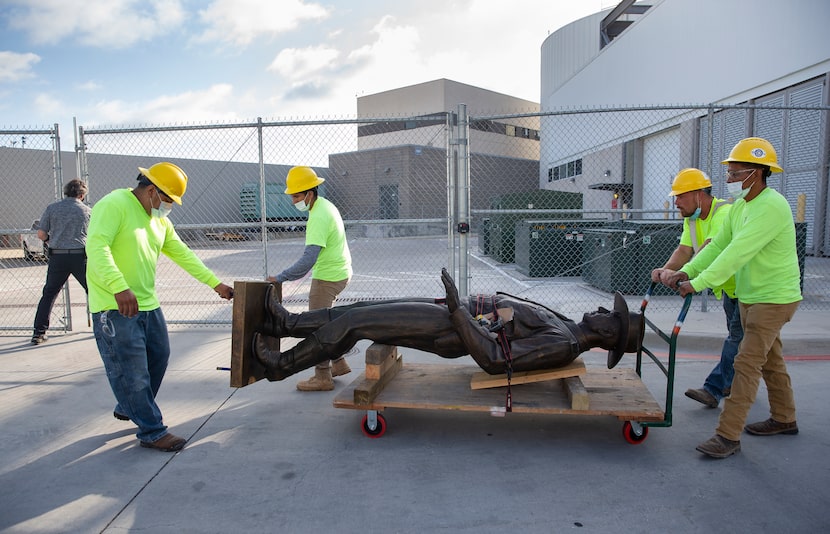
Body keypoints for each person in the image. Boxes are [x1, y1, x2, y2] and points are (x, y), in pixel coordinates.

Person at [664, 137, 802, 459]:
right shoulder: (741, 207)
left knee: (747, 363)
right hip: (750, 296)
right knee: (771, 361)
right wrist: (687, 272)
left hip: (774, 299)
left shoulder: (772, 206)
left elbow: (736, 254)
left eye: (735, 173)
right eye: (729, 172)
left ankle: (727, 436)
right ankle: (785, 418)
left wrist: (698, 283)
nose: (728, 180)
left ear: (757, 173)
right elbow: (716, 248)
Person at [253, 268, 644, 379]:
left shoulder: (561, 344)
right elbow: (507, 318)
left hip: (453, 326)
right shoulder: (566, 326)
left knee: (357, 321)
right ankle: (286, 324)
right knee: (364, 308)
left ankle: (280, 366)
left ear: (608, 333)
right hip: (457, 313)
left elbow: (493, 358)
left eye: (610, 316)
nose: (602, 311)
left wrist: (458, 309)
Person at [86, 162, 234, 452]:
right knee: (132, 371)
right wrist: (118, 286)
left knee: (159, 356)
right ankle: (152, 431)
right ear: (152, 190)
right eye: (168, 200)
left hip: (147, 304)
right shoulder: (114, 204)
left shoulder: (160, 221)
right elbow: (97, 246)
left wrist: (216, 284)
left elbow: (183, 254)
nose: (169, 207)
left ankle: (130, 405)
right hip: (114, 305)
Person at [651, 168, 742, 408]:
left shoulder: (724, 214)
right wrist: (664, 270)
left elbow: (710, 250)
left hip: (748, 289)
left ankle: (714, 389)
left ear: (699, 195)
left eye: (681, 196)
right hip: (729, 290)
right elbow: (684, 250)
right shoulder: (691, 219)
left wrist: (685, 274)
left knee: (737, 340)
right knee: (754, 347)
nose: (676, 202)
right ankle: (741, 382)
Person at [266, 166, 352, 392]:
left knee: (318, 328)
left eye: (296, 196)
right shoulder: (325, 206)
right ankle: (339, 363)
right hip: (340, 273)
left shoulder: (318, 216)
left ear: (310, 194)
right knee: (328, 321)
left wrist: (280, 278)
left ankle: (322, 376)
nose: (293, 200)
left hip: (327, 278)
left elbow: (308, 260)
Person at [31, 179, 92, 344]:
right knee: (93, 291)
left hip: (58, 255)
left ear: (66, 192)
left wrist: (52, 240)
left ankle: (39, 332)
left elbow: (41, 234)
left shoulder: (52, 208)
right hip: (80, 256)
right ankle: (104, 326)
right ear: (81, 194)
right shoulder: (87, 211)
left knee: (49, 293)